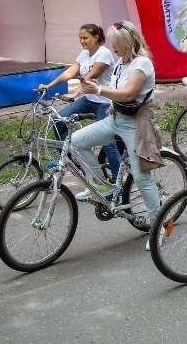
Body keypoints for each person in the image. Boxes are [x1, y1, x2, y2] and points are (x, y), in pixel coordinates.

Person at [72, 21, 160, 249]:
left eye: (116, 44)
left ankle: (158, 225)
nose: (113, 48)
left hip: (135, 124)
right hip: (115, 119)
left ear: (127, 42)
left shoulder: (142, 63)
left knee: (142, 178)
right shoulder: (122, 63)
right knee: (77, 142)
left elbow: (129, 94)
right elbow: (115, 94)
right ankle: (104, 186)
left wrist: (99, 90)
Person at [40, 24, 121, 185]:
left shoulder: (103, 54)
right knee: (59, 121)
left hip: (105, 102)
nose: (82, 41)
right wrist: (49, 86)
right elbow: (70, 72)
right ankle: (70, 160)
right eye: (80, 38)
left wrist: (75, 94)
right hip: (89, 100)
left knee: (107, 142)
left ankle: (117, 180)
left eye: (85, 38)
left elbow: (91, 77)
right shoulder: (84, 54)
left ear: (96, 37)